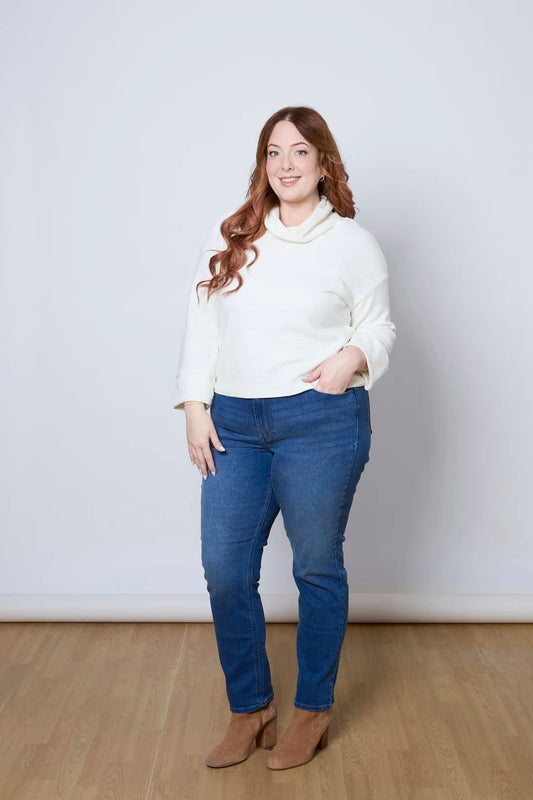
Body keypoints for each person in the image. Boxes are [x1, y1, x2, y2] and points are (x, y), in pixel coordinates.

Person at [173, 106, 396, 770]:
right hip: (235, 425)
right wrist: (194, 404)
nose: (286, 165)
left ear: (323, 162)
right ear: (262, 165)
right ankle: (251, 709)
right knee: (224, 570)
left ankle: (310, 712)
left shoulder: (352, 243)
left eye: (300, 151)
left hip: (319, 424)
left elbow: (379, 327)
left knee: (315, 568)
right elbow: (202, 328)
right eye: (274, 152)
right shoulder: (237, 237)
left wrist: (350, 356)